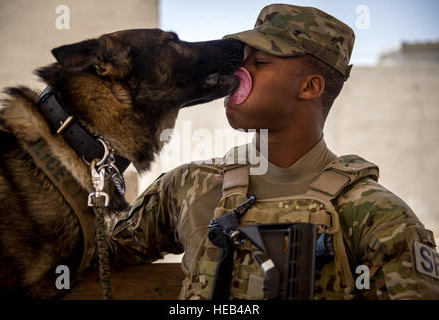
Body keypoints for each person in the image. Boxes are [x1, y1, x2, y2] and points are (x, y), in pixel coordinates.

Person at [107, 4, 439, 299]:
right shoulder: (188, 187)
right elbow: (93, 252)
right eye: (241, 60)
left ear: (310, 87)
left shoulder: (378, 216)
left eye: (261, 62)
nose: (237, 72)